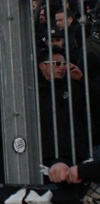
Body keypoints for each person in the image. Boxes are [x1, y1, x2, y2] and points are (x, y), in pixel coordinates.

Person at [38, 47, 90, 182]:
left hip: (74, 152)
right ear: (43, 66)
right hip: (45, 155)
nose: (63, 67)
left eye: (65, 64)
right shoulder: (34, 90)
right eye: (57, 64)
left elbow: (93, 103)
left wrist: (82, 80)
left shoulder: (72, 86)